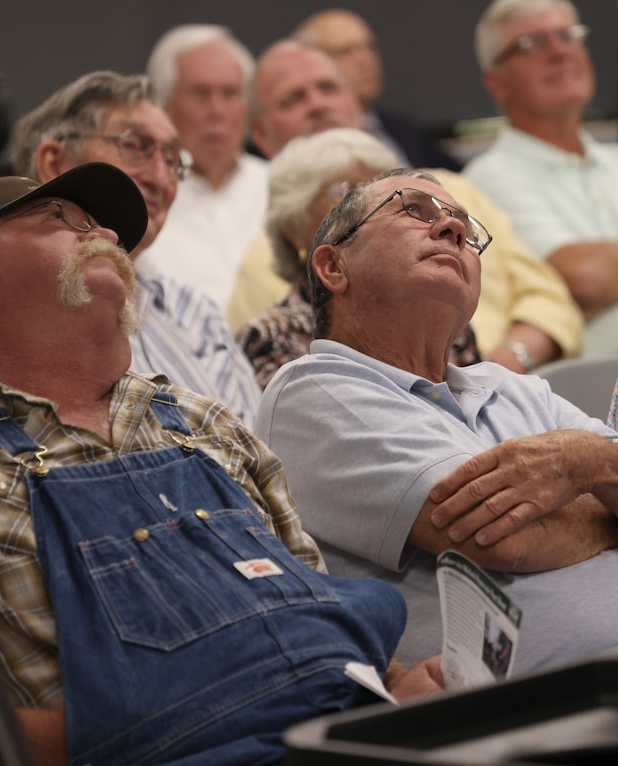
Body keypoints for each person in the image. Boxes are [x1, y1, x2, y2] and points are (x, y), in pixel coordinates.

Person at [0, 163, 443, 766]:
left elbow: (316, 624)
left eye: (101, 226)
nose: (103, 232)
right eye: (60, 220)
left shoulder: (206, 426)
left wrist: (397, 686)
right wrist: (90, 749)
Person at [256, 167, 618, 676]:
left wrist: (586, 461)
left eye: (465, 228)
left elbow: (592, 474)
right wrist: (602, 487)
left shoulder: (513, 386)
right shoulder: (313, 388)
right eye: (414, 210)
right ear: (334, 266)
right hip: (535, 714)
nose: (452, 229)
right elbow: (505, 539)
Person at [229, 41, 583, 371]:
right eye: (293, 99)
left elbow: (552, 302)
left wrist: (500, 372)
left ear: (356, 104)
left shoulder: (454, 193)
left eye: (329, 88)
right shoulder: (265, 255)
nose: (318, 104)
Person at [9, 71, 261, 426]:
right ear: (54, 162)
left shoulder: (194, 313)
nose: (160, 178)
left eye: (173, 161)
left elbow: (256, 456)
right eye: (133, 146)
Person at [235, 128, 482, 390]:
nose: (368, 203)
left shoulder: (440, 313)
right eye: (351, 192)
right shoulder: (270, 336)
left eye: (382, 189)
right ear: (295, 227)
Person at [464, 0, 618, 357]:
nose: (559, 51)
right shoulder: (484, 181)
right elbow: (579, 279)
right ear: (496, 82)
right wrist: (585, 284)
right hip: (584, 395)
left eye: (567, 35)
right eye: (532, 44)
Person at [135, 24, 268, 310]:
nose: (217, 111)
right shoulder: (144, 200)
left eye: (230, 93)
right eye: (200, 94)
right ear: (164, 106)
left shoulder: (279, 187)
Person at [292, 9, 463, 171]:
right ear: (311, 64)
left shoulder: (404, 129)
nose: (364, 59)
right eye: (345, 51)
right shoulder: (307, 142)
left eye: (369, 47)